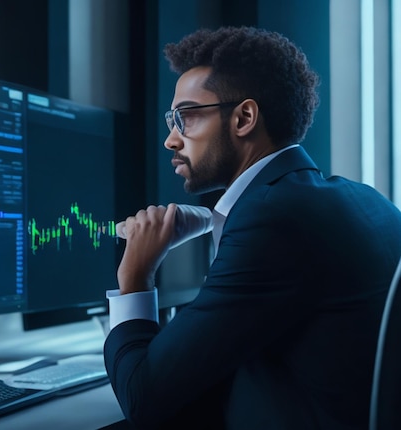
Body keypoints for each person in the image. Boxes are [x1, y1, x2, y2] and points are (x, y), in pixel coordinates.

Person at [104, 26, 401, 429]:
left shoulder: (273, 221)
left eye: (184, 118)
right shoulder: (366, 200)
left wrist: (135, 275)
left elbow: (143, 397)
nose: (171, 140)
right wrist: (215, 222)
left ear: (244, 117)